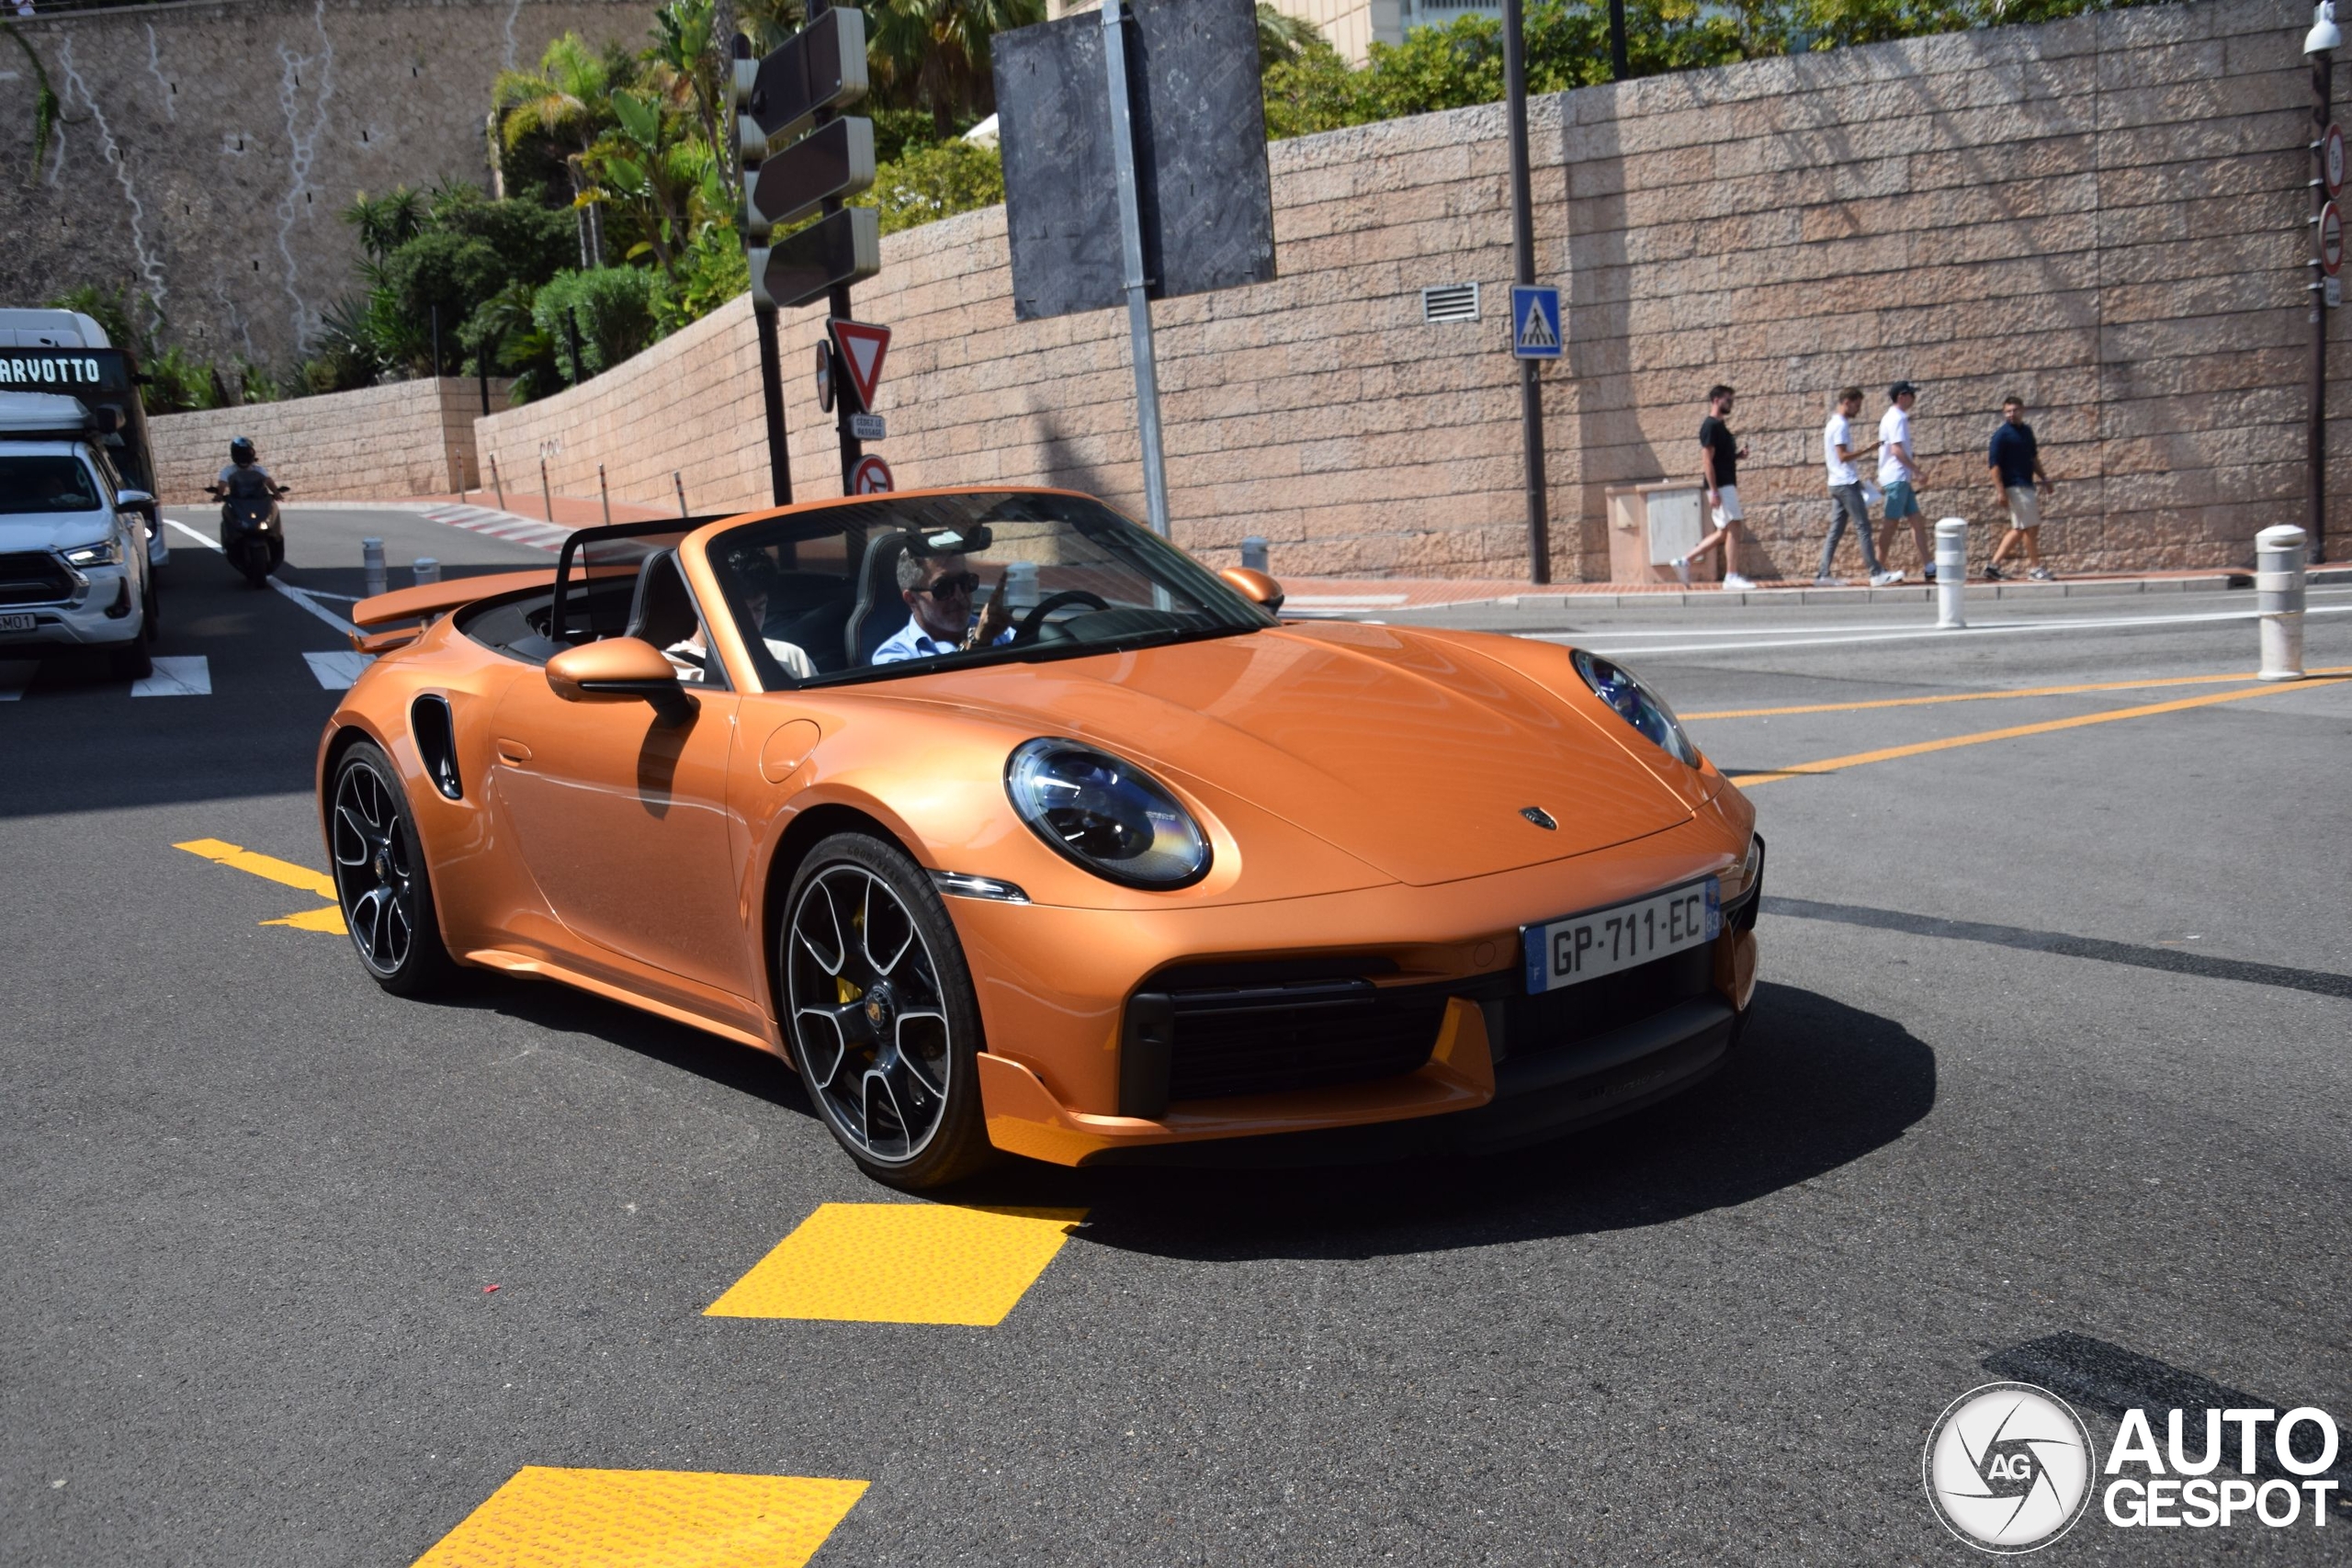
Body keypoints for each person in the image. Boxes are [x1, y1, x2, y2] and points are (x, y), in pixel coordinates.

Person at [670, 553, 814, 683]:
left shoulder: (791, 657)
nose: (750, 620)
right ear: (697, 604)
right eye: (737, 610)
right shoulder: (670, 669)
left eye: (759, 607)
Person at [1671, 384, 1755, 591]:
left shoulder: (1720, 426)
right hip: (1722, 485)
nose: (1731, 403)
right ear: (1716, 400)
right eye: (1728, 399)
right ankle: (1731, 576)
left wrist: (1737, 456)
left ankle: (1685, 560)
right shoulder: (1710, 426)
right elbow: (1707, 461)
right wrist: (1714, 491)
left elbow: (1720, 458)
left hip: (1725, 482)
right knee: (1735, 526)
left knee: (1723, 532)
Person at [1817, 387, 1903, 587]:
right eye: (1857, 405)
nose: (1858, 410)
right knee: (1863, 527)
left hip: (1837, 483)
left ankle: (1822, 574)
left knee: (1835, 531)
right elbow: (1843, 456)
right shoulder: (1840, 426)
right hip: (1846, 483)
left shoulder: (1832, 424)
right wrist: (1868, 449)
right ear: (1847, 402)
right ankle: (1876, 573)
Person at [873, 548, 1014, 663]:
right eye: (943, 588)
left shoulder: (1001, 632)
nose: (959, 595)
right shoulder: (894, 656)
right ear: (912, 599)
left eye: (966, 582)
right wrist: (977, 643)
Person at [1984, 394, 2055, 581]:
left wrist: (2045, 479)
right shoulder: (2001, 436)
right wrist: (2000, 491)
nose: (2011, 414)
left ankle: (1993, 566)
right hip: (2014, 486)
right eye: (2008, 411)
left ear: (2022, 410)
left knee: (2022, 528)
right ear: (2003, 412)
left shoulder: (2026, 432)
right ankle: (2034, 568)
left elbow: (2033, 459)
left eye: (2015, 410)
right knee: (2030, 527)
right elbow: (1994, 465)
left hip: (2027, 484)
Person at [1877, 382, 1935, 580]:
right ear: (1902, 396)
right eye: (1911, 395)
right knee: (1890, 523)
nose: (1914, 399)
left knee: (1916, 521)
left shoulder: (1891, 417)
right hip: (1898, 477)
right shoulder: (1897, 418)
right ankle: (1878, 568)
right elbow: (1896, 449)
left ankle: (1929, 565)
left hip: (1901, 478)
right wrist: (1917, 471)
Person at [206, 436, 285, 504]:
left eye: (246, 454)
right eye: (240, 454)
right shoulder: (228, 471)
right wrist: (219, 494)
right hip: (236, 502)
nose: (243, 458)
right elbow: (223, 483)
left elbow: (268, 481)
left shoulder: (259, 470)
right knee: (228, 515)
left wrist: (276, 493)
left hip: (259, 501)